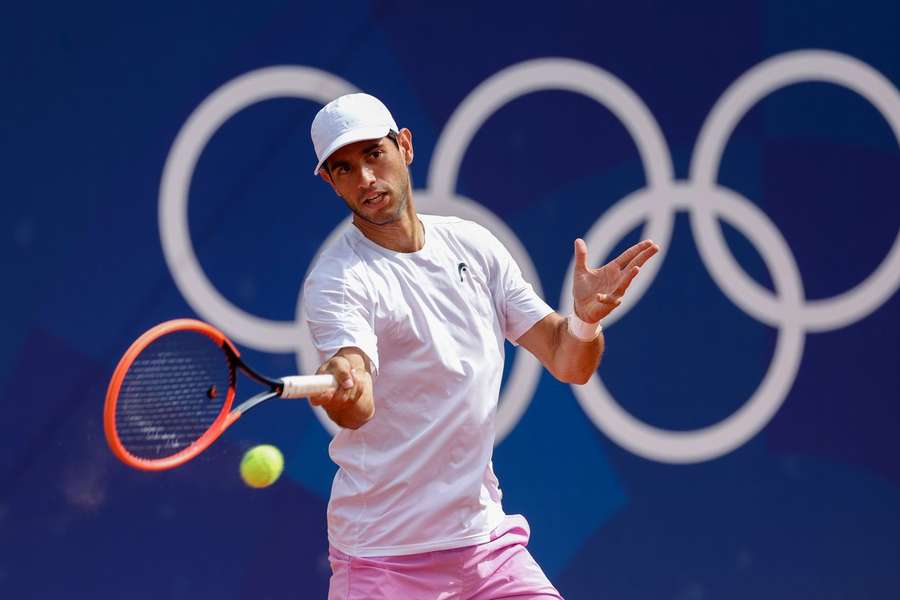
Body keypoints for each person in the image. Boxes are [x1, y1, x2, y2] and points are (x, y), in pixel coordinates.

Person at [303, 93, 658, 600]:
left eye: (373, 155)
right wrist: (345, 386)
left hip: (486, 548)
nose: (364, 179)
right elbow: (356, 398)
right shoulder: (338, 280)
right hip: (382, 558)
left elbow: (567, 360)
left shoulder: (475, 246)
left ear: (404, 146)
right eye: (343, 168)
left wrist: (583, 321)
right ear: (328, 181)